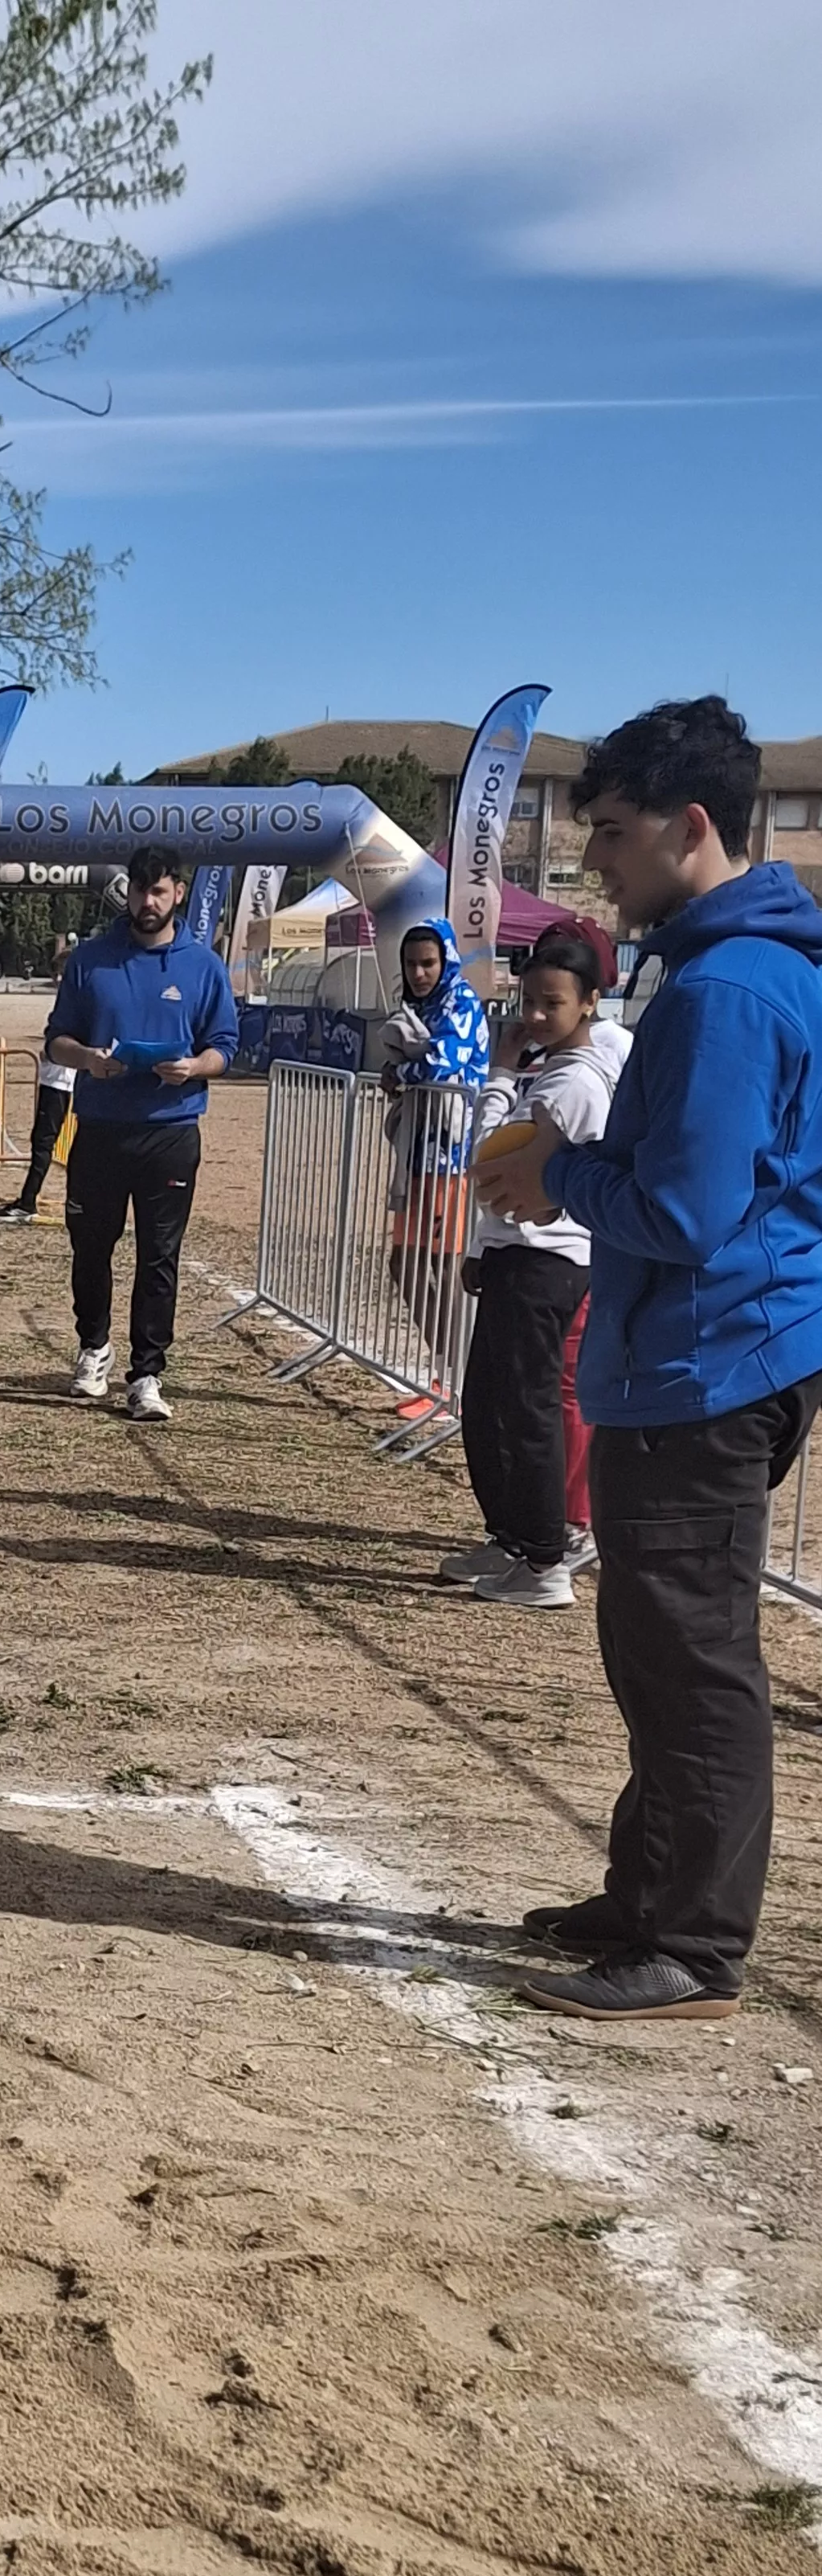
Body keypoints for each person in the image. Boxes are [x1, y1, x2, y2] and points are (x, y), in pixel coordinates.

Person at [480, 696, 822, 2021]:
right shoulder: (729, 973)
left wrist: (554, 1172)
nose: (594, 871)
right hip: (698, 1356)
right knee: (652, 1642)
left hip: (708, 1365)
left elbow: (687, 1213)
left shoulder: (730, 990)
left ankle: (693, 1941)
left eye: (610, 837)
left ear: (692, 828)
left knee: (691, 1659)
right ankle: (650, 1892)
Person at [443, 928, 623, 1609]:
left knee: (526, 1407)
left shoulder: (573, 1082)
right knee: (487, 1402)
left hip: (547, 1262)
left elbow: (488, 1157)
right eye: (529, 1001)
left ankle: (545, 1555)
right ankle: (512, 1537)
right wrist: (482, 1249)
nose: (535, 1016)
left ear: (589, 1003)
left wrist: (496, 1075)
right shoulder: (546, 1072)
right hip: (513, 1253)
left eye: (552, 1003)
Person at [46, 845, 239, 1422]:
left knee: (160, 1256)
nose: (146, 901)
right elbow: (56, 1039)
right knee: (89, 1245)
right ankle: (93, 1347)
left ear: (177, 892)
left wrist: (193, 1067)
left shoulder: (203, 966)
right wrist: (87, 1058)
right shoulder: (90, 959)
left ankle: (147, 1374)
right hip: (101, 1127)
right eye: (138, 889)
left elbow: (225, 1047)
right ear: (126, 892)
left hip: (170, 1132)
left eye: (158, 891)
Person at [376, 919, 489, 1421]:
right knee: (409, 1264)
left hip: (452, 1157)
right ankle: (453, 1372)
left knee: (441, 1268)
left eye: (428, 963)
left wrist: (397, 1072)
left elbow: (441, 1066)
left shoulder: (461, 1003)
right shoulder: (421, 1007)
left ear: (446, 960)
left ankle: (459, 1379)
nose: (420, 973)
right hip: (421, 1155)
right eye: (412, 964)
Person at [0, 1028, 78, 1222]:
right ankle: (28, 1199)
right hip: (54, 1083)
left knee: (43, 1144)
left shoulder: (74, 1022)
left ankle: (28, 1201)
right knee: (41, 1142)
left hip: (58, 1085)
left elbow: (63, 1051)